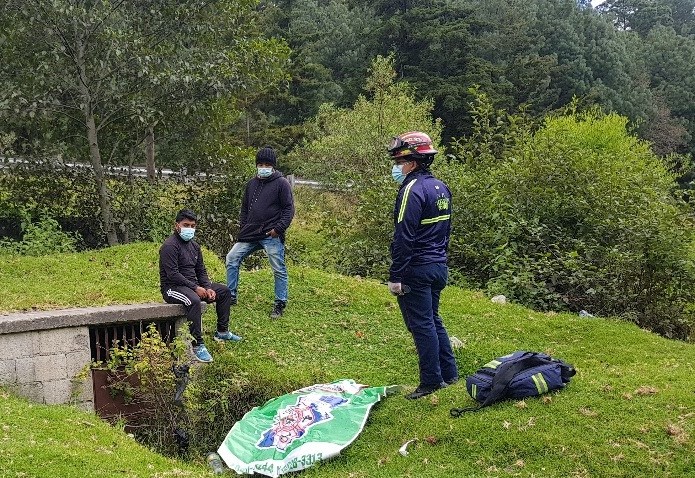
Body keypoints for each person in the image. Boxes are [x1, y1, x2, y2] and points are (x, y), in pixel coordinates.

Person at [386, 131, 459, 400]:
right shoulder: (441, 187)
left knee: (421, 324)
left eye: (398, 163)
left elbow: (404, 235)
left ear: (411, 162)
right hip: (438, 265)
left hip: (416, 268)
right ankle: (450, 374)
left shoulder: (410, 190)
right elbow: (446, 230)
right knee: (433, 319)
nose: (396, 168)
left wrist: (396, 275)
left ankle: (430, 381)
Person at [160, 208, 242, 363]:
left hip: (193, 286)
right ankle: (198, 344)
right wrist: (195, 288)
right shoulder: (169, 246)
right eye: (186, 225)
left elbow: (201, 270)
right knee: (194, 300)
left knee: (224, 291)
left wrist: (207, 287)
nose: (190, 229)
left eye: (193, 226)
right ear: (177, 225)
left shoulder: (195, 246)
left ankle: (222, 331)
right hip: (173, 288)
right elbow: (173, 275)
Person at [226, 146, 295, 319]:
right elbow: (244, 208)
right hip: (250, 232)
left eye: (267, 164)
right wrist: (244, 225)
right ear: (256, 165)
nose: (263, 167)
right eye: (260, 164)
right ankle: (230, 296)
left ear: (273, 166)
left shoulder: (282, 184)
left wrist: (278, 229)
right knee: (232, 258)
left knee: (278, 267)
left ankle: (280, 302)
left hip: (271, 234)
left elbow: (289, 209)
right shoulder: (251, 184)